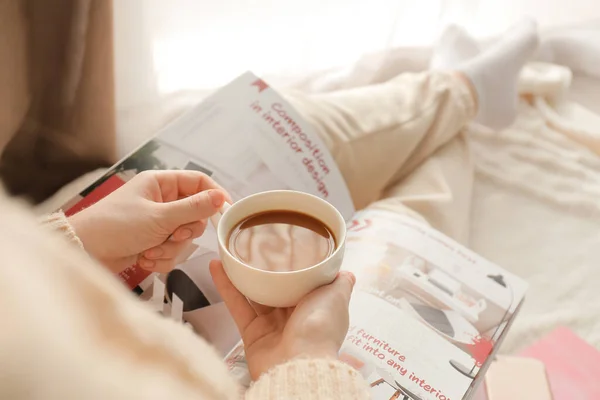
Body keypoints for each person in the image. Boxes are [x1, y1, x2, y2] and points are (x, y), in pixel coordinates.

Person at [0, 20, 538, 399]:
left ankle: (456, 90)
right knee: (410, 225)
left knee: (305, 130)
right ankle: (463, 99)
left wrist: (76, 238)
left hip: (85, 266)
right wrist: (304, 366)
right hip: (253, 366)